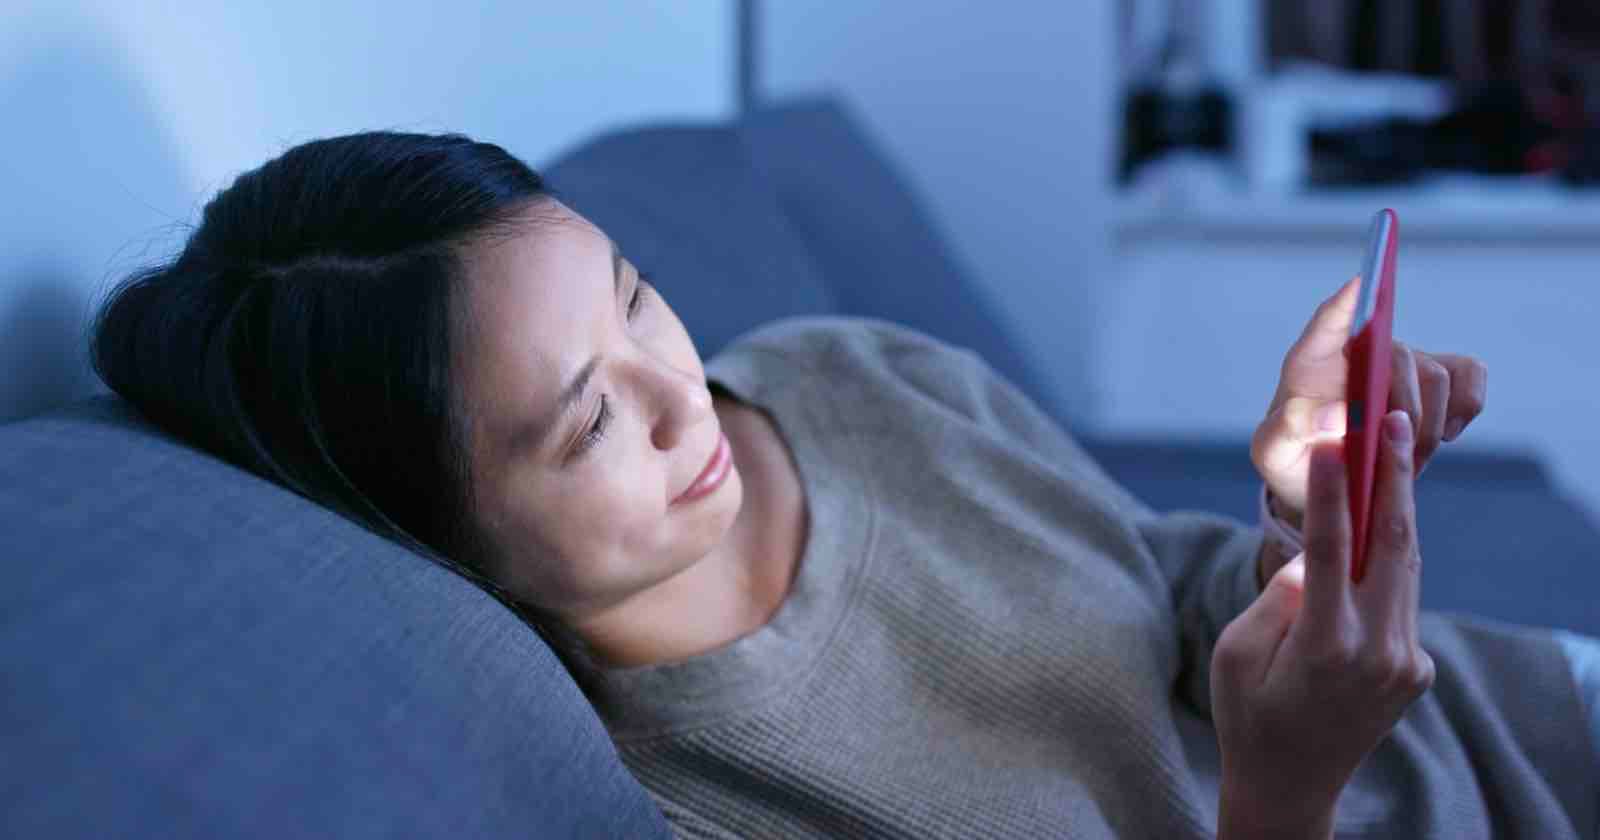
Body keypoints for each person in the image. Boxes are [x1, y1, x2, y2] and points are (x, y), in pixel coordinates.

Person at [88, 131, 1599, 839]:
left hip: (1530, 715)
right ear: (442, 538)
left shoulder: (842, 371)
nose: (683, 395)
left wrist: (1300, 524)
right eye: (589, 424)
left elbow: (1166, 591)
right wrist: (1287, 787)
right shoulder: (682, 801)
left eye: (636, 296)